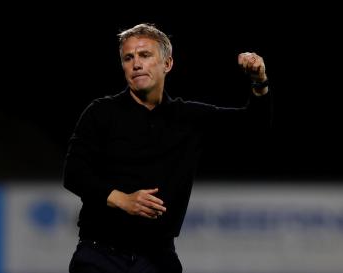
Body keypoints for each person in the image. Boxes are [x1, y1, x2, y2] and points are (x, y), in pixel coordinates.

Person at [63, 23, 272, 273]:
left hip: (157, 259)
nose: (136, 64)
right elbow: (74, 174)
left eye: (145, 55)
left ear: (167, 64)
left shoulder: (188, 118)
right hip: (99, 256)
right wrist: (122, 199)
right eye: (128, 58)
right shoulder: (100, 113)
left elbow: (254, 126)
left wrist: (259, 81)